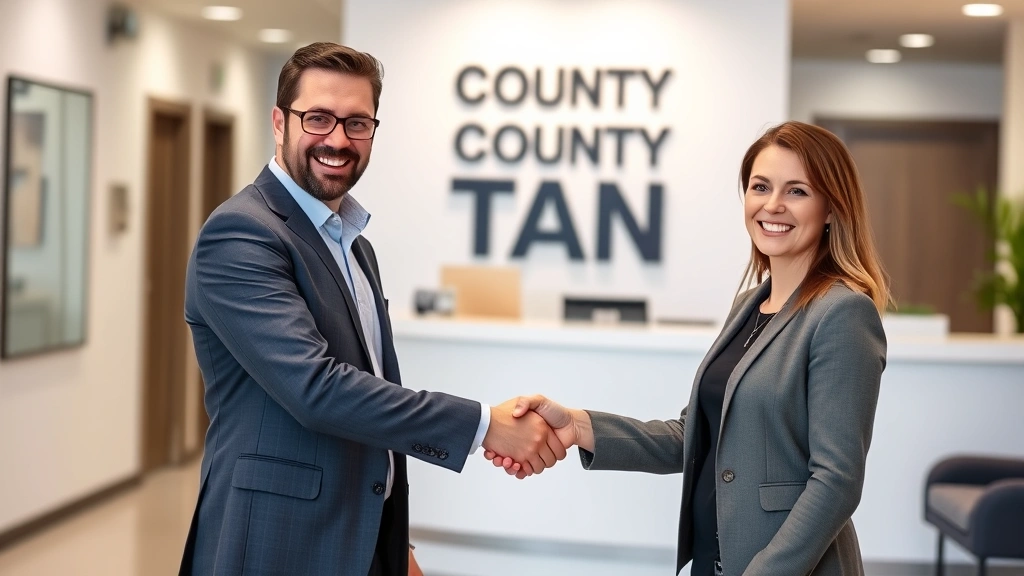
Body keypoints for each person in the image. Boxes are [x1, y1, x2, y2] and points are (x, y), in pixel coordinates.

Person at [179, 42, 567, 576]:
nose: (338, 140)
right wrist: (484, 426)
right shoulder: (242, 233)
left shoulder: (355, 244)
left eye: (357, 123)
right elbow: (317, 390)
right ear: (278, 122)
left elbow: (369, 389)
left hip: (357, 536)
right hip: (277, 542)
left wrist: (392, 542)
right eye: (318, 118)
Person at [488, 121, 890, 575]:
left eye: (797, 191)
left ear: (832, 208)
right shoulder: (750, 304)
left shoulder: (843, 314)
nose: (772, 205)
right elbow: (693, 435)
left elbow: (837, 480)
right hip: (714, 557)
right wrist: (578, 425)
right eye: (761, 187)